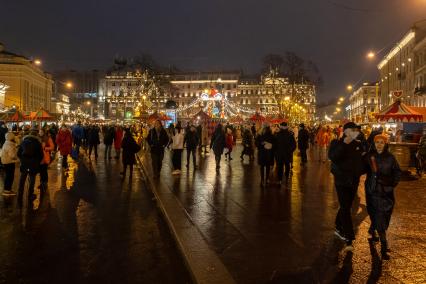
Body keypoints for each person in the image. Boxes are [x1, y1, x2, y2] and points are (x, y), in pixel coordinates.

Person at [328, 122, 365, 251]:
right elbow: (332, 157)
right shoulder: (336, 143)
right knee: (345, 207)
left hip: (353, 181)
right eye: (352, 130)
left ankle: (338, 225)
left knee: (347, 206)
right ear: (345, 131)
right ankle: (348, 236)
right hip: (341, 181)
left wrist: (361, 171)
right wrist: (344, 144)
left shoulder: (358, 144)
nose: (354, 132)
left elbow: (361, 161)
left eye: (355, 130)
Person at [364, 134, 401, 259]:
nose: (379, 144)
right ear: (374, 144)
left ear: (385, 144)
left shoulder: (391, 157)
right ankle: (384, 246)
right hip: (373, 191)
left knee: (384, 214)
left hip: (387, 192)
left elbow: (397, 172)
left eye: (382, 142)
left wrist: (392, 183)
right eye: (377, 142)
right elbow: (359, 168)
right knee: (377, 214)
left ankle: (372, 229)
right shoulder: (369, 156)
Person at [17, 127, 44, 207]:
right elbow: (41, 155)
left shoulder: (23, 141)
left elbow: (18, 153)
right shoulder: (38, 143)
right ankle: (30, 195)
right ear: (36, 135)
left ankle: (20, 196)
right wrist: (36, 162)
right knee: (32, 181)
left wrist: (23, 160)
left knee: (22, 181)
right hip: (33, 165)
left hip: (24, 164)